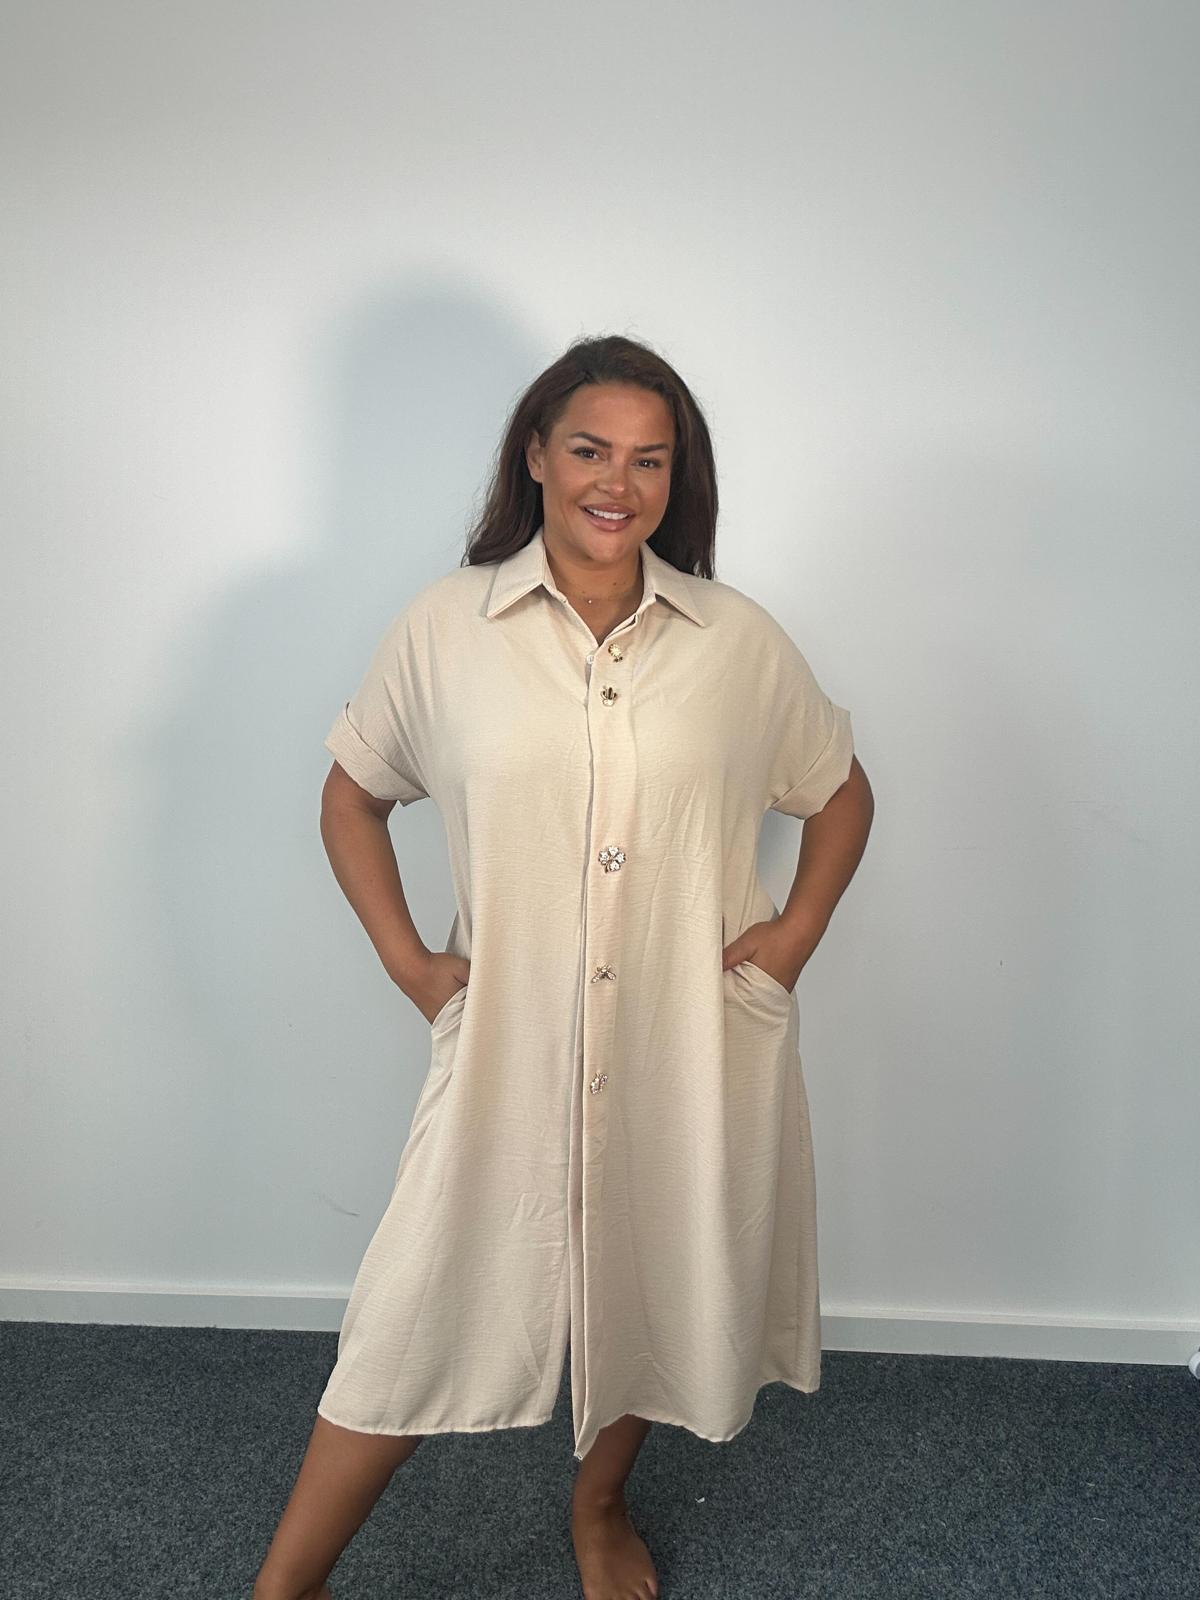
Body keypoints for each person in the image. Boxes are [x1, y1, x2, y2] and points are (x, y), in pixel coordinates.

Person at [254, 334, 874, 1600]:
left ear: (677, 478)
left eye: (651, 460)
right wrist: (412, 964)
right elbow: (351, 794)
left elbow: (840, 790)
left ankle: (599, 1503)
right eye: (591, 449)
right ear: (536, 455)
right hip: (511, 1031)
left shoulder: (735, 638)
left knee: (656, 1264)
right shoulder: (447, 627)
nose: (618, 483)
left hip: (688, 1029)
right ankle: (285, 1587)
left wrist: (795, 934)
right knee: (415, 1305)